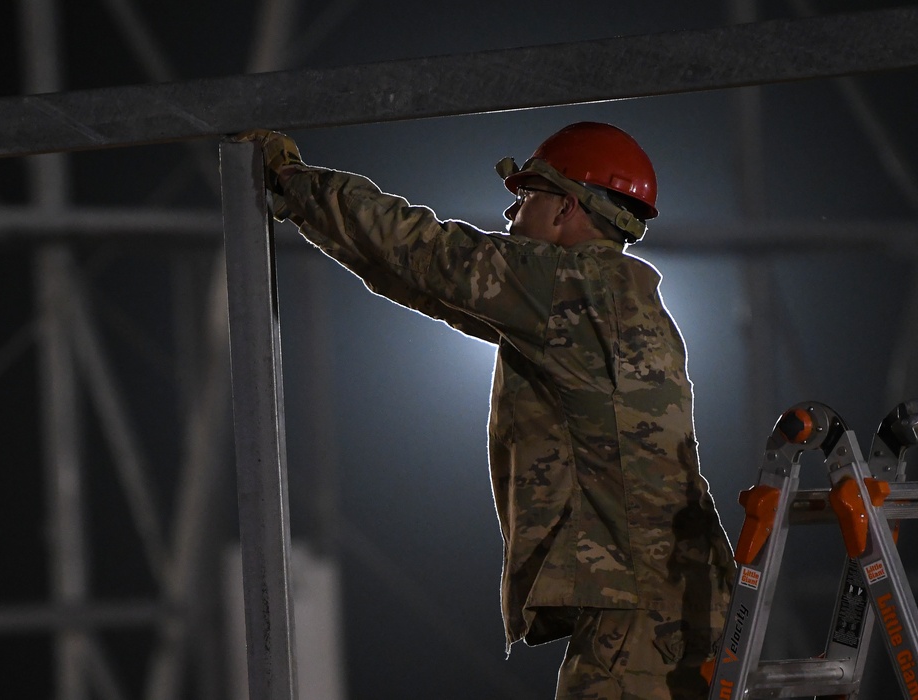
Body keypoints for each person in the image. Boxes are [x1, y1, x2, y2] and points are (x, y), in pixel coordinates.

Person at [236, 122, 735, 700]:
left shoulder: (562, 285)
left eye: (526, 197)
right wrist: (307, 212)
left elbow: (424, 251)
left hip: (633, 610)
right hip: (679, 595)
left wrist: (293, 178)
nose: (510, 214)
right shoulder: (614, 299)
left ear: (565, 208)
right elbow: (423, 281)